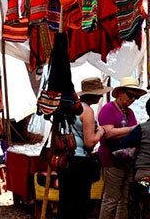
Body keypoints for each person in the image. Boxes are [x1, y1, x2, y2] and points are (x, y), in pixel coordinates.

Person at [58, 78, 109, 219]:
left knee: (66, 202)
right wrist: (101, 131)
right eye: (99, 94)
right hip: (79, 161)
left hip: (66, 158)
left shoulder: (69, 108)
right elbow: (89, 142)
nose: (101, 97)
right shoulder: (87, 111)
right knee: (80, 203)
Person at [98, 77, 147, 219]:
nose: (132, 99)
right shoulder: (108, 109)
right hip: (112, 158)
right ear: (119, 92)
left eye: (136, 97)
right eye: (130, 95)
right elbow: (109, 133)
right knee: (111, 198)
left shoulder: (129, 112)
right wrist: (133, 128)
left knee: (123, 199)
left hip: (126, 159)